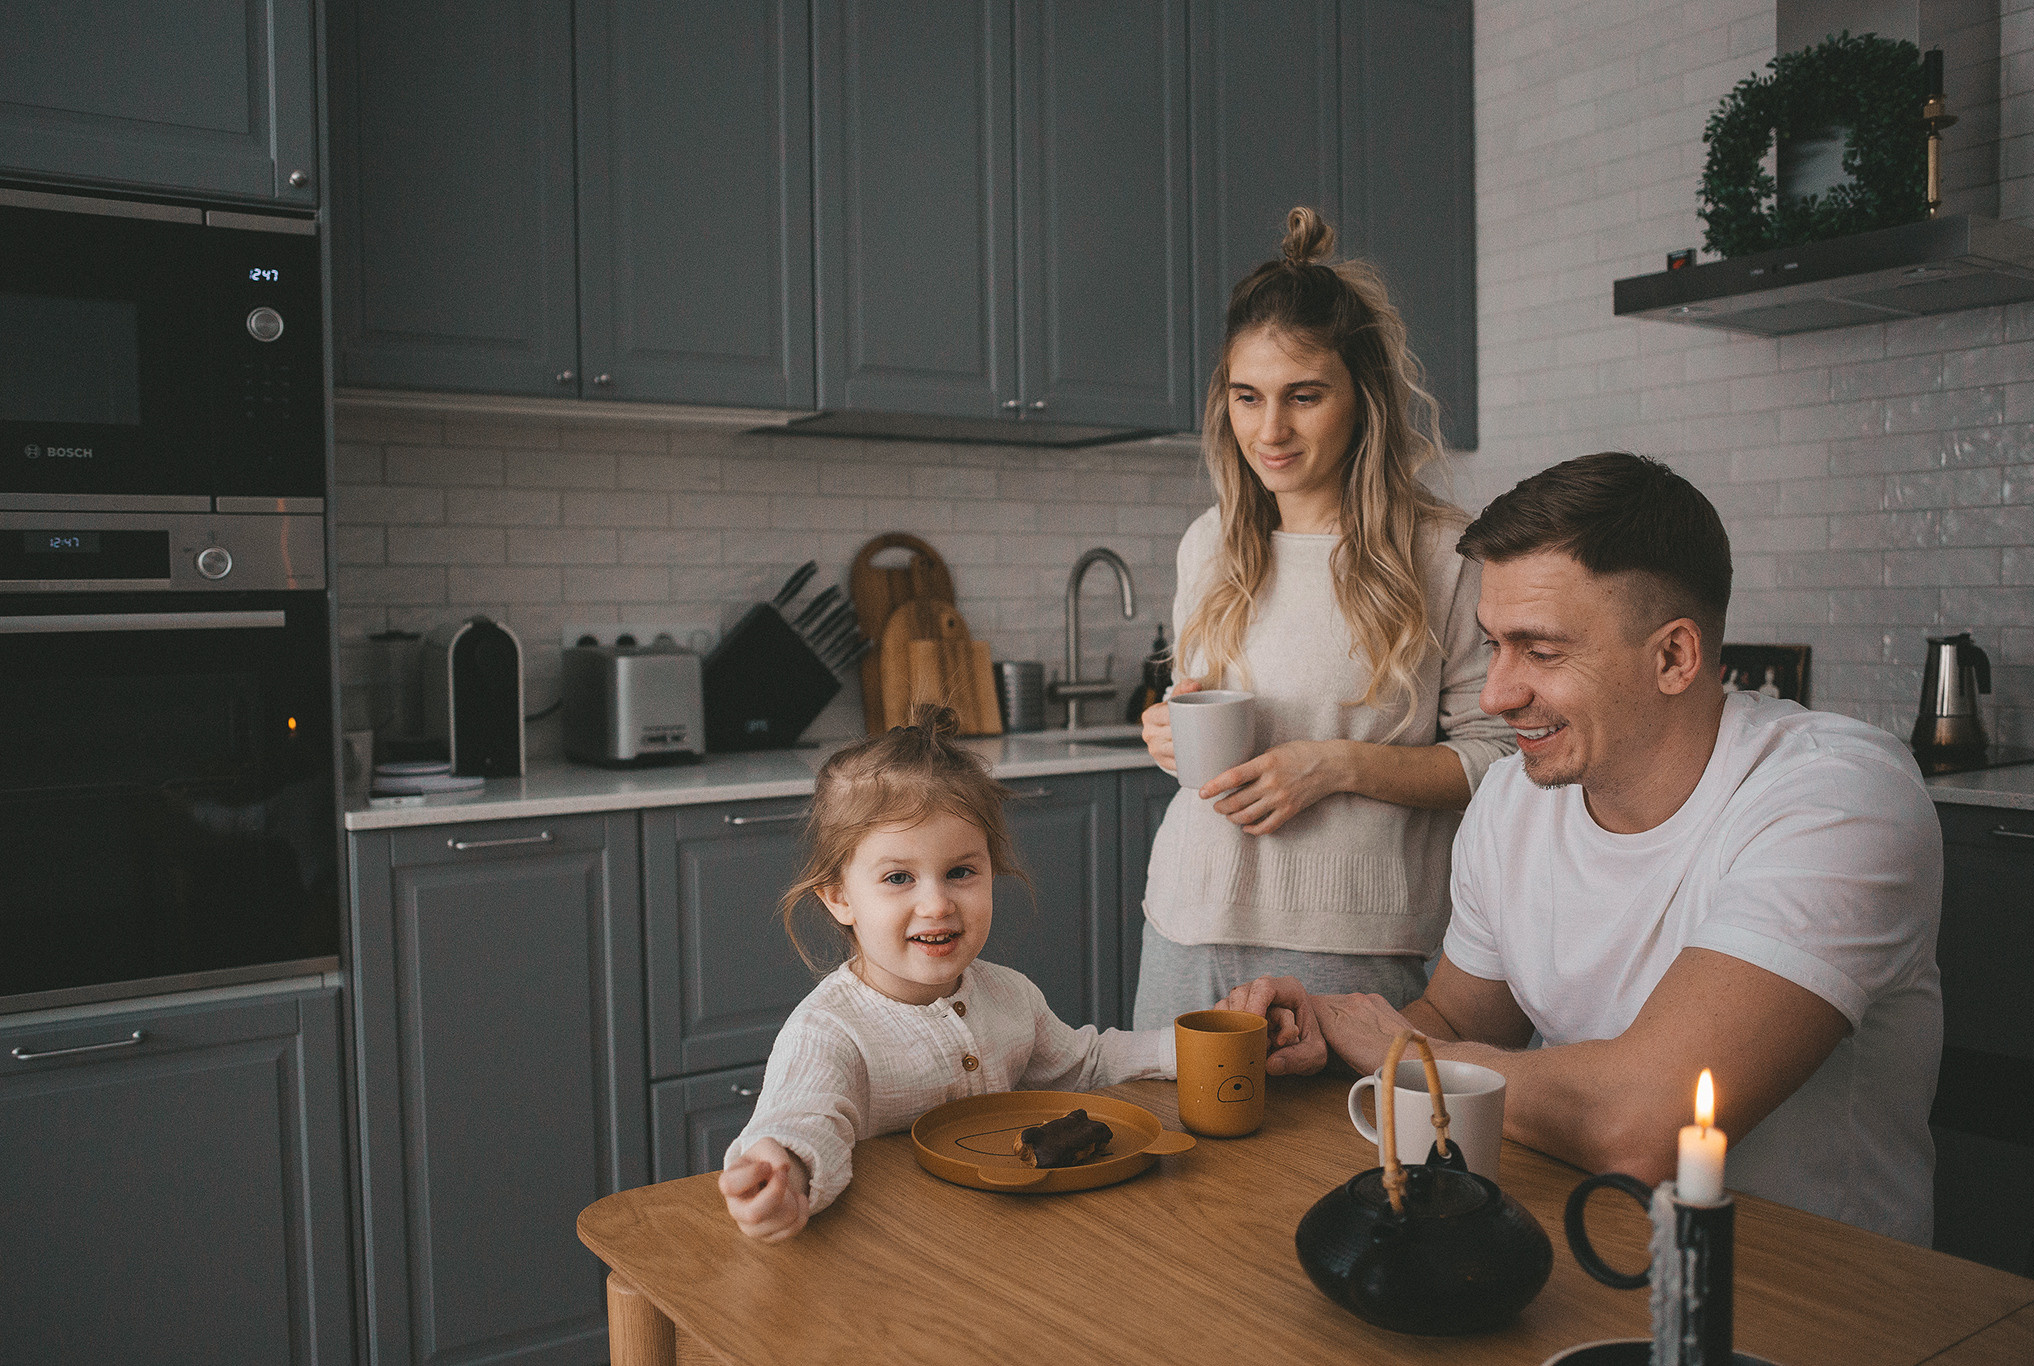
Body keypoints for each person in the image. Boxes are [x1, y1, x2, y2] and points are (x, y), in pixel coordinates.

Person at [1230, 452, 1944, 1244]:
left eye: (1539, 651)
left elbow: (1641, 1122)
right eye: (1493, 645)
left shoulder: (1838, 798)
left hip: (1826, 1299)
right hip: (1592, 1245)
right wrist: (1335, 1031)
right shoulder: (1512, 799)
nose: (1496, 694)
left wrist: (1398, 1055)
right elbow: (1461, 1022)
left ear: (1674, 656)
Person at [1133, 207, 1514, 1028]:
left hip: (1355, 945)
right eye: (1247, 397)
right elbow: (1201, 730)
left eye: (1304, 397)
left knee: (1341, 1161)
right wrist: (1167, 734)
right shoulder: (1208, 544)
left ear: (1362, 397)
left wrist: (1335, 766)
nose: (1269, 430)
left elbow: (1502, 758)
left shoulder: (1446, 553)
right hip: (1183, 922)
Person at [719, 706, 1181, 1240]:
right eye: (898, 877)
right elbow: (803, 1123)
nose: (936, 904)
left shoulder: (1010, 995)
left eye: (960, 872)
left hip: (1006, 1247)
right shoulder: (828, 1032)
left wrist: (1191, 1048)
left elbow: (1087, 1063)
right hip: (891, 1267)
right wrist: (784, 1174)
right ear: (840, 897)